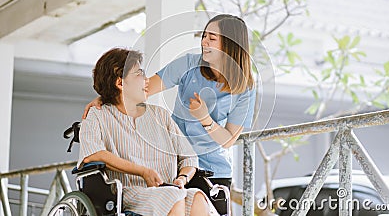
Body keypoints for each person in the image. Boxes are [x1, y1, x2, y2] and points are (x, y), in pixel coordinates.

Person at [82, 15, 256, 211]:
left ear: (231, 44)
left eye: (212, 38)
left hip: (212, 168)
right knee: (173, 198)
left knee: (199, 202)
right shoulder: (189, 65)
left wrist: (204, 118)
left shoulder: (245, 87)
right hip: (173, 163)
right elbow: (142, 90)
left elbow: (228, 140)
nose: (203, 41)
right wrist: (106, 96)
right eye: (204, 35)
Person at [78, 48, 215, 216]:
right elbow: (94, 154)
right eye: (139, 74)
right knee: (172, 197)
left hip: (170, 188)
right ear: (120, 83)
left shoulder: (160, 115)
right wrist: (142, 171)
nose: (146, 80)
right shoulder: (97, 116)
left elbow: (189, 157)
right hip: (126, 194)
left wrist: (183, 178)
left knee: (197, 198)